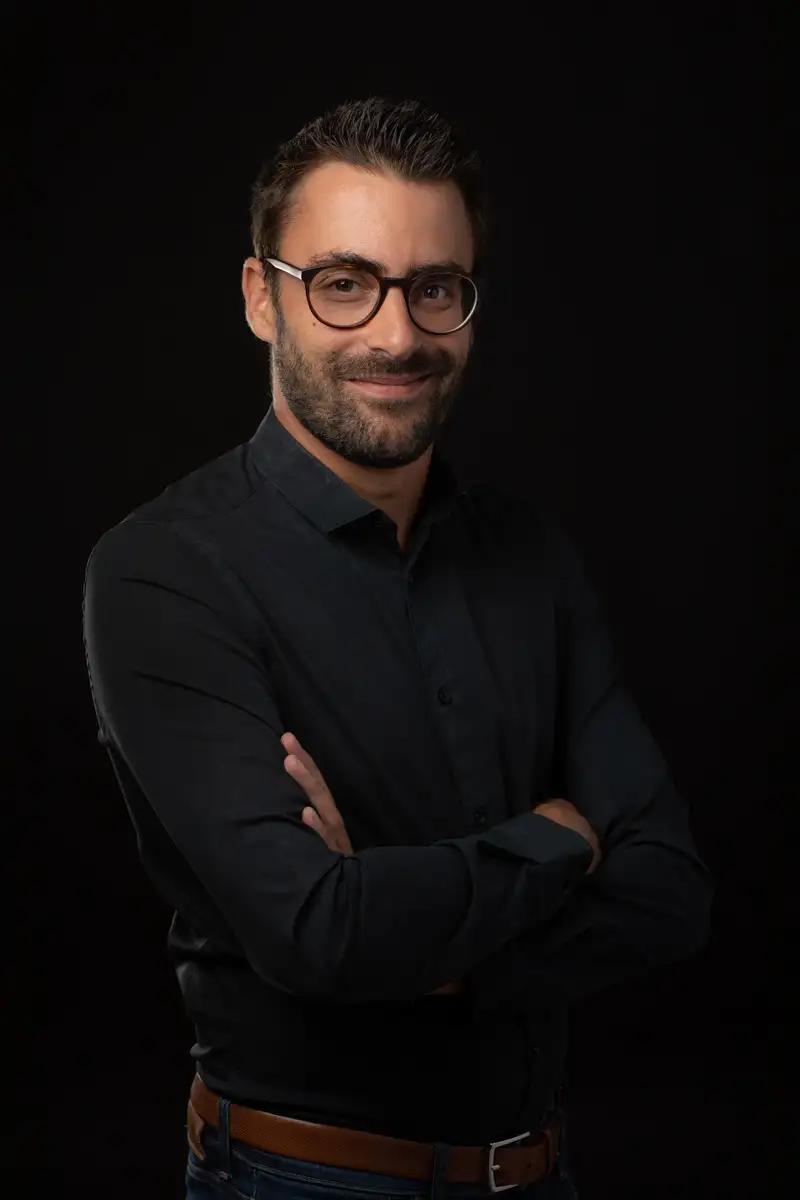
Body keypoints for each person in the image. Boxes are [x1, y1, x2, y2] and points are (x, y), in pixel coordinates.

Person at [82, 96, 714, 1198]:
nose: (395, 334)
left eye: (434, 289)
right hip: (298, 1181)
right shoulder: (161, 573)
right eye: (342, 283)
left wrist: (410, 940)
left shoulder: (531, 556)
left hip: (542, 1173)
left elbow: (669, 891)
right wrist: (563, 841)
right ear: (258, 300)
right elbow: (313, 935)